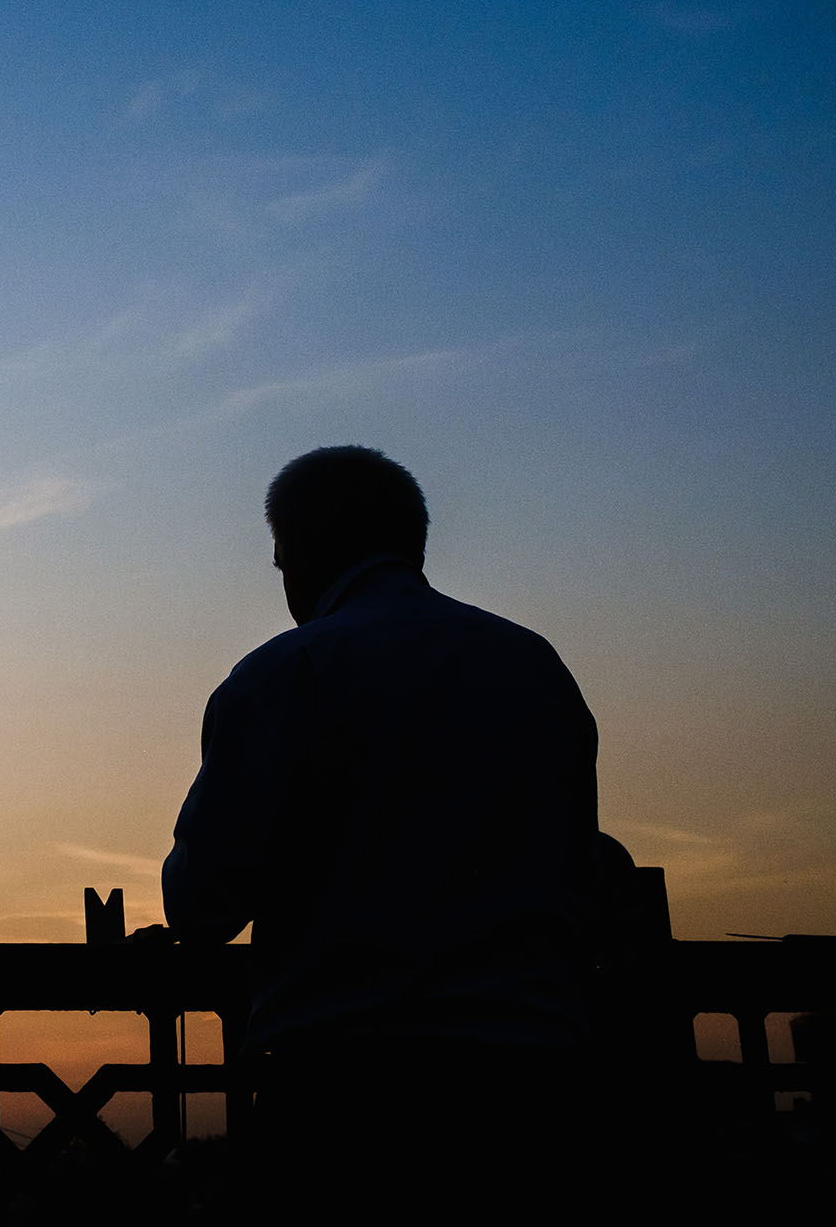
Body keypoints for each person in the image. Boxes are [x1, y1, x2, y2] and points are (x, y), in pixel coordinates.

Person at [162, 446, 598, 1212]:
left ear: (295, 549)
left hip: (346, 1088)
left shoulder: (284, 673)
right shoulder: (532, 665)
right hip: (538, 1087)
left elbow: (204, 905)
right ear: (414, 542)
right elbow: (578, 866)